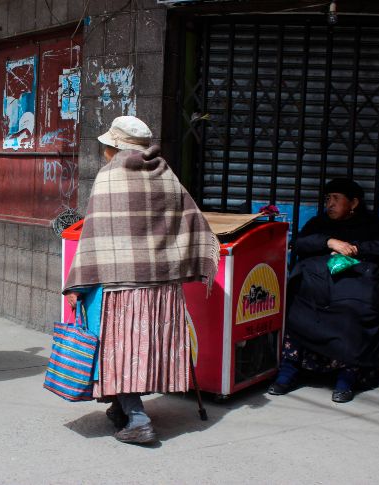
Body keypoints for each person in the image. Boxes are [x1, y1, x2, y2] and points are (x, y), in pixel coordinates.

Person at [63, 116, 219, 445]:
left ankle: (137, 417)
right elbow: (192, 220)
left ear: (114, 148)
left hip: (120, 284)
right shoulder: (165, 173)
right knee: (144, 349)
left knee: (116, 349)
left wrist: (78, 284)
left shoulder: (110, 176)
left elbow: (94, 234)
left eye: (107, 146)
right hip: (162, 284)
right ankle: (120, 408)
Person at [268, 178, 379, 403]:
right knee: (299, 300)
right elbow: (298, 244)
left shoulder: (374, 226)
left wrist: (353, 249)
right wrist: (329, 242)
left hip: (356, 282)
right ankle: (289, 370)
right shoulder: (319, 224)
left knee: (352, 308)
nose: (330, 204)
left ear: (353, 203)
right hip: (318, 284)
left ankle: (346, 377)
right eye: (327, 199)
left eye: (336, 199)